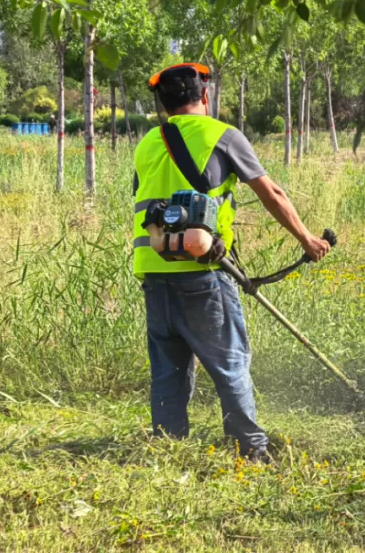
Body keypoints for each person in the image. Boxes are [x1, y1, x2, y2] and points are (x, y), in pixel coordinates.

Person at [132, 62, 330, 461]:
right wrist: (307, 239)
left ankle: (168, 446)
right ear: (204, 95)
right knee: (229, 362)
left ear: (164, 103)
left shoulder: (147, 143)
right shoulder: (223, 135)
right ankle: (251, 450)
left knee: (168, 369)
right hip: (202, 272)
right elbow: (271, 193)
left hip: (154, 269)